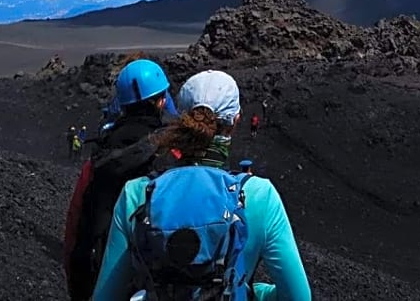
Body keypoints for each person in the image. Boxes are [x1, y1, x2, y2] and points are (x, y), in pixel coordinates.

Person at [92, 69, 311, 300]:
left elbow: (106, 296)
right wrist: (255, 292)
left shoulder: (137, 193)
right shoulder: (260, 195)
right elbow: (299, 297)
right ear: (236, 122)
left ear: (181, 120)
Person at [63, 58, 173, 301]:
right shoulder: (172, 155)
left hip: (102, 276)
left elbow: (75, 232)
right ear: (161, 101)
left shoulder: (99, 160)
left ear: (123, 105)